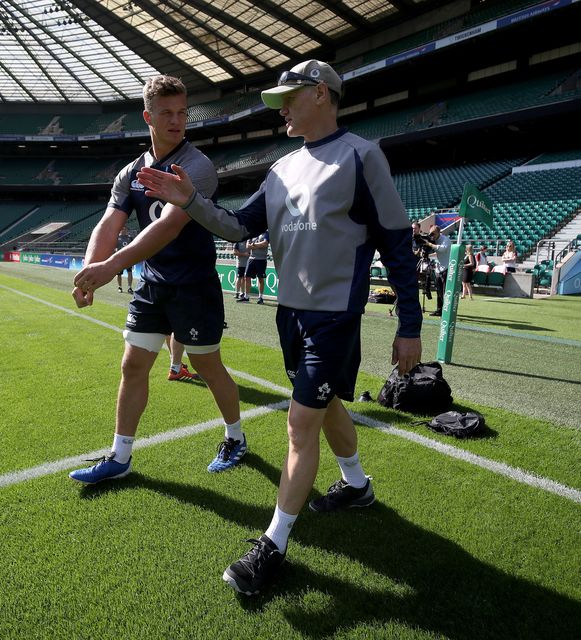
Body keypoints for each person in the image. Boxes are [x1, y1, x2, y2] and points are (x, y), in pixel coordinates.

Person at [74, 60, 422, 595]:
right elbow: (238, 226)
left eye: (290, 97)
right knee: (325, 406)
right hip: (291, 314)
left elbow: (397, 243)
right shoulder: (282, 168)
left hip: (334, 318)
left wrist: (410, 325)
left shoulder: (362, 156)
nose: (281, 108)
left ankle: (272, 546)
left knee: (299, 424)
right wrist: (189, 199)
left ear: (324, 96)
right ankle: (357, 485)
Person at [69, 75, 243, 484]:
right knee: (133, 364)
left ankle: (235, 436)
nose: (177, 120)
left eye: (182, 112)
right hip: (153, 283)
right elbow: (108, 224)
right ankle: (120, 456)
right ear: (148, 116)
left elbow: (166, 228)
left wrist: (110, 268)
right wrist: (88, 274)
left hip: (193, 283)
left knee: (207, 364)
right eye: (166, 113)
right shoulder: (131, 170)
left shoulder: (196, 167)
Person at [423, 225, 451, 316]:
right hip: (439, 268)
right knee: (438, 291)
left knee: (444, 291)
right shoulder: (434, 240)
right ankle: (439, 310)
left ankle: (446, 311)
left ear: (439, 232)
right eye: (430, 233)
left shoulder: (445, 239)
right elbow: (436, 251)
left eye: (433, 233)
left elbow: (442, 249)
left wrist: (430, 244)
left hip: (446, 268)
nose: (432, 235)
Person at [242, 231, 270, 304]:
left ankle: (260, 298)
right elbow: (247, 246)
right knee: (247, 277)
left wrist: (254, 245)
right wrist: (258, 245)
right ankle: (246, 297)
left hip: (261, 259)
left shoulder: (266, 234)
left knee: (260, 278)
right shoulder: (252, 233)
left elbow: (265, 244)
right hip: (251, 258)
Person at [115, 226, 134, 294]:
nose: (124, 230)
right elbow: (115, 248)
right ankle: (120, 287)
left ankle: (129, 287)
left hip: (128, 258)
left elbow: (132, 246)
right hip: (120, 259)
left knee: (130, 272)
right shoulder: (117, 238)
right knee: (119, 274)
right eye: (123, 229)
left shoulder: (129, 237)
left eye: (125, 229)